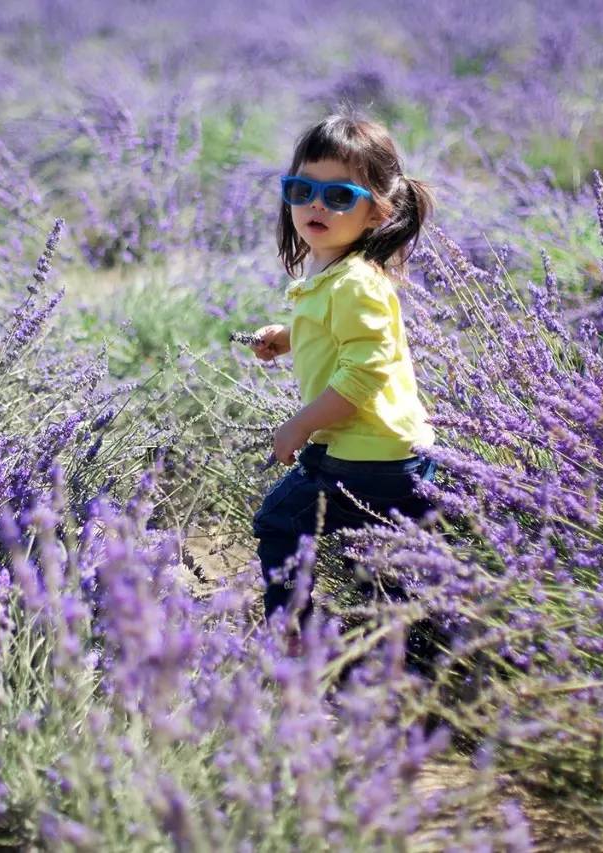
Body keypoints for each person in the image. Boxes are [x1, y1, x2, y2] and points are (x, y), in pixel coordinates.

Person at [245, 109, 440, 633]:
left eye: (338, 197)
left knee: (280, 520)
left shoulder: (355, 281)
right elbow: (340, 336)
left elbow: (361, 375)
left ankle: (293, 637)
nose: (315, 204)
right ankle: (405, 649)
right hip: (394, 452)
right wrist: (290, 337)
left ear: (377, 213)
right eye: (302, 188)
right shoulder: (336, 274)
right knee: (381, 566)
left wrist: (302, 423)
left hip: (364, 455)